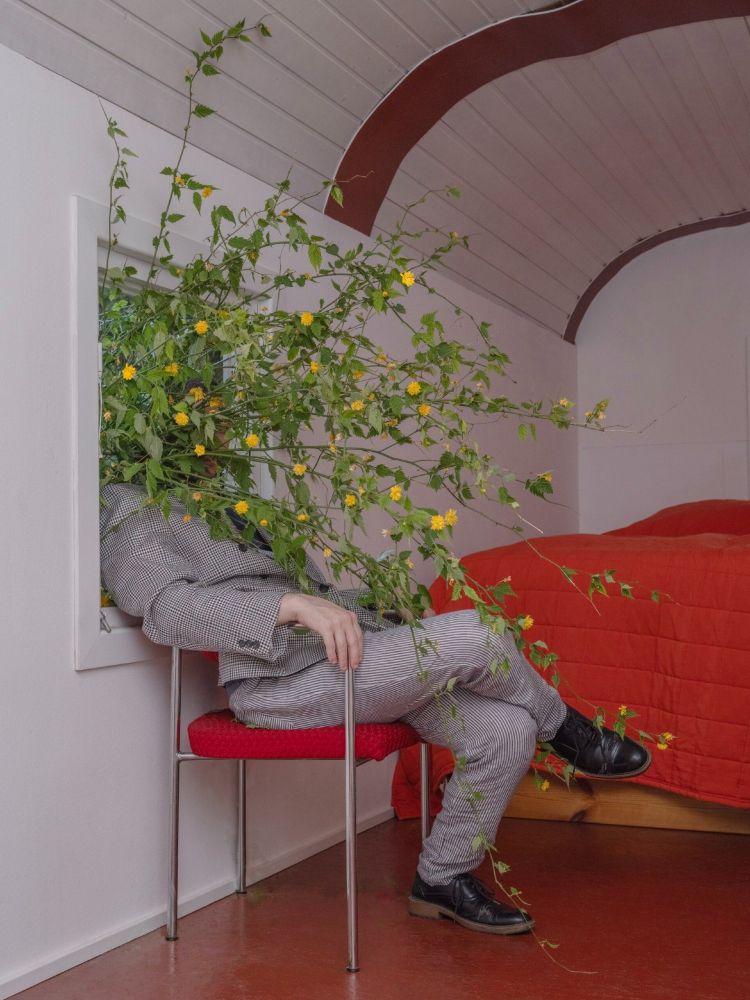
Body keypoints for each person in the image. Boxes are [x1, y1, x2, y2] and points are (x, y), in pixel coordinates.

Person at [100, 481, 651, 936]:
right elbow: (166, 609)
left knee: (507, 728)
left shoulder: (231, 493)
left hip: (352, 662)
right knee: (477, 632)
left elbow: (313, 595)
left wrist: (373, 605)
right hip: (280, 683)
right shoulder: (129, 504)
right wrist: (290, 604)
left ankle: (441, 879)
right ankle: (570, 732)